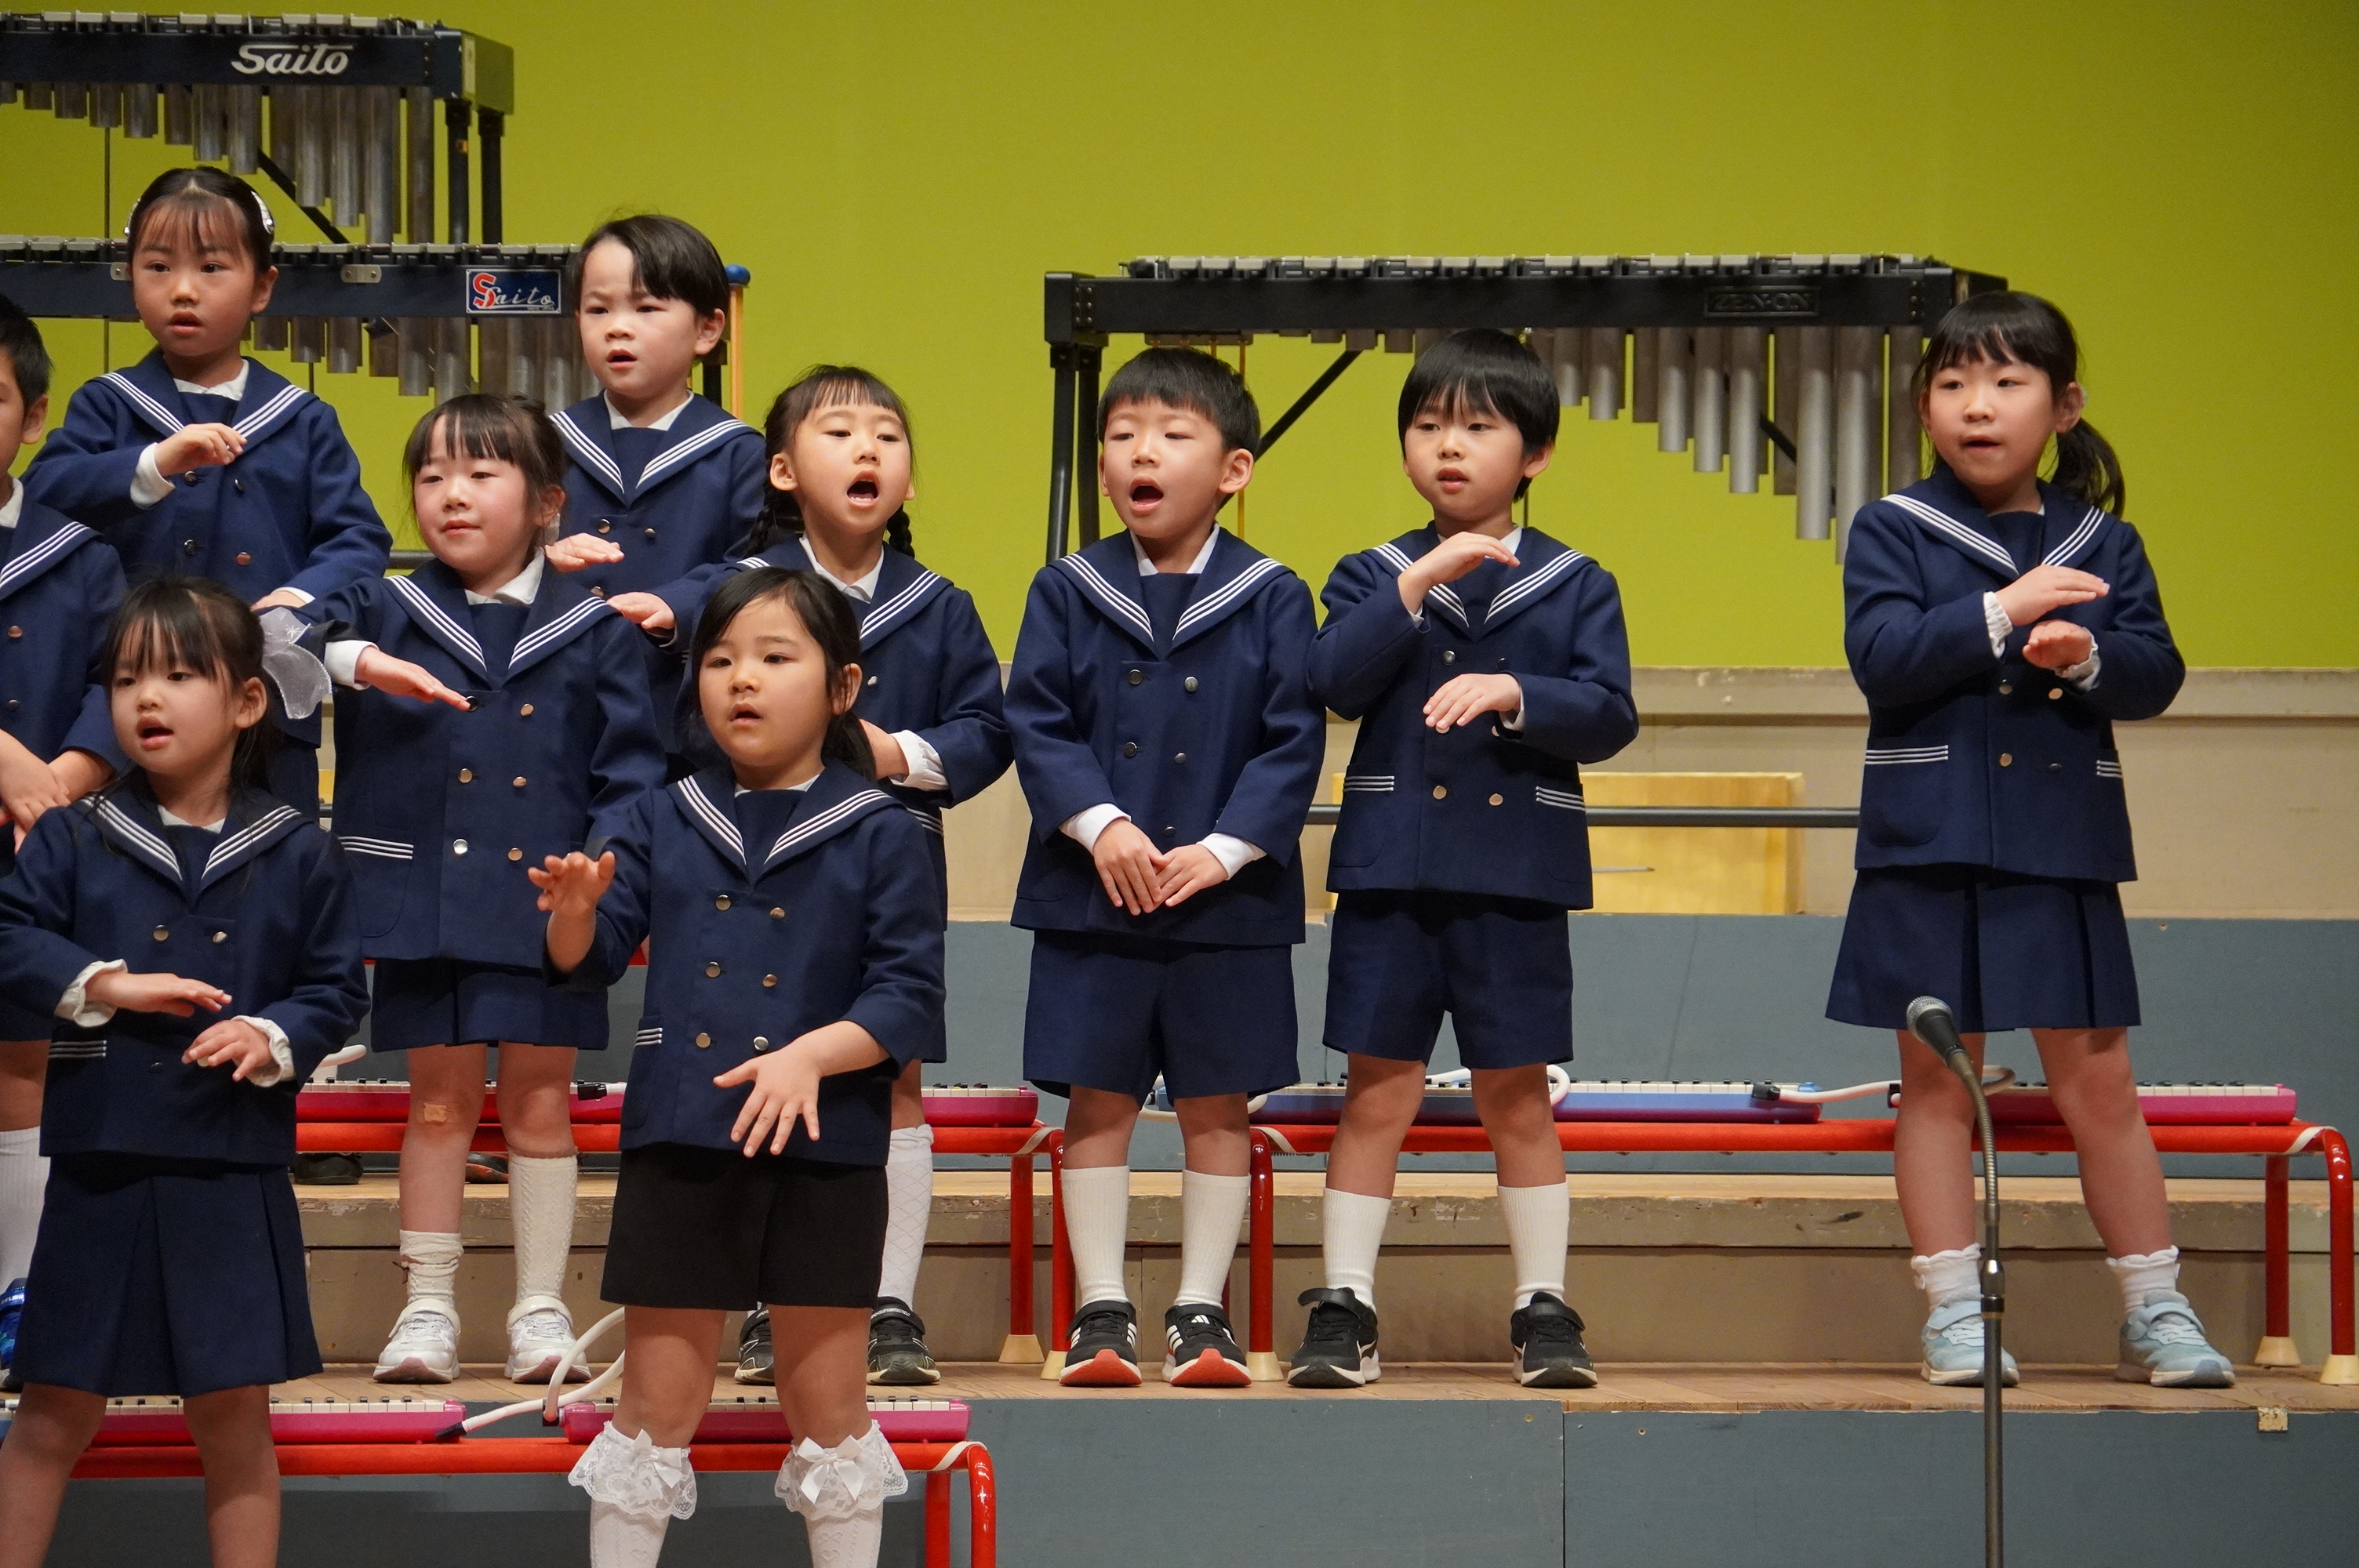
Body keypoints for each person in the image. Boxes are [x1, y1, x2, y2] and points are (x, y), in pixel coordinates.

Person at [1831, 291, 2233, 1388]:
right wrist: (2004, 613)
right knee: (1936, 1085)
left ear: (2063, 407)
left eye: (2007, 383)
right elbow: (1884, 658)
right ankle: (1954, 1312)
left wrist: (2087, 659)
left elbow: (2154, 672)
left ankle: (2155, 1308)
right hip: (1928, 842)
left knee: (2100, 1084)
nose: (1977, 405)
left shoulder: (2107, 539)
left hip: (2061, 844)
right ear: (1924, 407)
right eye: (1953, 383)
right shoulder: (1893, 527)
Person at [535, 567, 943, 1568]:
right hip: (684, 1134)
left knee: (829, 1406)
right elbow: (588, 956)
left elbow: (906, 996)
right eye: (718, 660)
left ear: (842, 687)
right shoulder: (659, 812)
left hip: (826, 1146)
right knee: (654, 1405)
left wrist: (810, 1056)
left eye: (773, 657)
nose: (741, 680)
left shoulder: (883, 827)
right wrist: (574, 913)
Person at [621, 365, 1012, 1385]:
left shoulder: (940, 603)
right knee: (755, 1066)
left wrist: (894, 753)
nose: (867, 449)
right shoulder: (733, 591)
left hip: (882, 861)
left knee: (892, 1074)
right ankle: (768, 1299)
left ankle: (885, 1304)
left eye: (887, 434)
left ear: (909, 480)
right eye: (838, 432)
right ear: (784, 470)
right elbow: (680, 707)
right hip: (751, 866)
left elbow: (984, 731)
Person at [1289, 328, 1637, 1391]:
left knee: (1517, 1095)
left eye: (1478, 426)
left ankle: (1543, 1308)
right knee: (1375, 1092)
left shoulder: (1577, 581)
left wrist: (1518, 692)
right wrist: (1414, 587)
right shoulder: (1371, 572)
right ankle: (1345, 1304)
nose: (1449, 445)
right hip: (1390, 874)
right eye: (1429, 424)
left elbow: (1610, 713)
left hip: (1515, 876)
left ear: (1534, 454)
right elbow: (1331, 679)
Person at [0, 577, 367, 1568]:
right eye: (125, 680)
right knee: (50, 1410)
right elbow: (9, 935)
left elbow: (336, 988)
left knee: (235, 1417)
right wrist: (105, 982)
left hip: (230, 1163)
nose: (146, 698)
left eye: (176, 674)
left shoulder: (298, 849)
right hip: (102, 1164)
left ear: (247, 700)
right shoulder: (75, 832)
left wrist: (270, 1034)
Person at [300, 394, 664, 1385]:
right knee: (437, 1104)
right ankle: (426, 1306)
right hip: (420, 897)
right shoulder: (385, 607)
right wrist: (363, 664)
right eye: (431, 476)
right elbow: (273, 641)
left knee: (541, 1101)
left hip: (545, 904)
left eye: (479, 473)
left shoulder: (595, 629)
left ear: (547, 502)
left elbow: (630, 776)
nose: (451, 494)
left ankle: (541, 1306)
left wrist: (598, 874)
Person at [1005, 347, 1324, 1387]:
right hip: (1093, 892)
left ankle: (1199, 1309)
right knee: (1095, 1101)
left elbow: (1291, 740)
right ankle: (1099, 1307)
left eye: (1173, 434)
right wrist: (1100, 825)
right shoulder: (1067, 588)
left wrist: (1225, 850)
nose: (1142, 453)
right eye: (1122, 435)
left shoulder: (1274, 594)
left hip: (1227, 901)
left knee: (1217, 1106)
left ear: (1233, 469)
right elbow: (1037, 721)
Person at [22, 168, 392, 815]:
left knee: (273, 860)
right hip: (133, 711)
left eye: (213, 267)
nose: (184, 289)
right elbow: (44, 495)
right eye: (158, 267)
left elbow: (358, 541)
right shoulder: (108, 405)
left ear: (263, 286)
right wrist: (152, 463)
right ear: (130, 279)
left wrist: (297, 599)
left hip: (264, 708)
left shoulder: (303, 419)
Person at [0, 298, 129, 1367]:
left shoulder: (80, 556)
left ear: (34, 416)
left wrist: (58, 785)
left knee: (23, 1058)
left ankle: (18, 1293)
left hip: (39, 847)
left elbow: (113, 685)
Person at [540, 215, 764, 731]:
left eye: (645, 308)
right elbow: (491, 562)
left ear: (707, 329)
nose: (617, 327)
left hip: (684, 712)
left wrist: (679, 605)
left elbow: (762, 570)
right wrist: (540, 559)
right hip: (556, 705)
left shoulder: (740, 453)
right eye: (598, 309)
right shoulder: (543, 445)